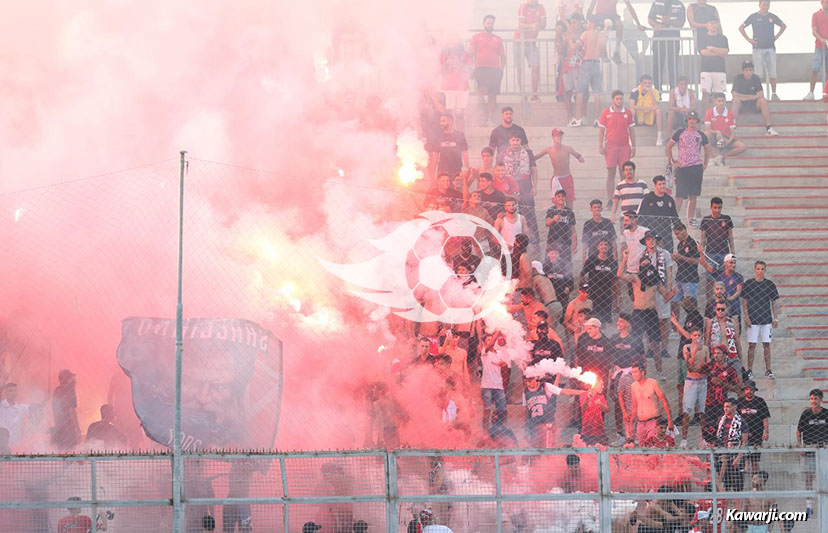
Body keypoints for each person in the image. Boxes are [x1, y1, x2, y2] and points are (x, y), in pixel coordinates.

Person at [618, 250, 671, 376]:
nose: (646, 266)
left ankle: (659, 372)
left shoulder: (656, 280)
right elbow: (619, 274)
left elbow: (666, 296)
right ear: (640, 266)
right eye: (643, 264)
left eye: (648, 264)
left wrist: (672, 294)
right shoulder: (635, 277)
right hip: (639, 313)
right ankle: (634, 370)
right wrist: (625, 258)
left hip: (651, 313)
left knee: (656, 344)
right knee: (635, 342)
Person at [665, 111, 710, 225]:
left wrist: (705, 164)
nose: (692, 121)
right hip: (682, 167)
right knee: (679, 195)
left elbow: (707, 149)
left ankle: (690, 219)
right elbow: (668, 146)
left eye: (694, 119)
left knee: (693, 195)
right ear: (687, 121)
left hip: (696, 167)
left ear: (697, 121)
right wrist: (672, 161)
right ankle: (674, 219)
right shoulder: (680, 133)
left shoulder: (701, 135)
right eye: (690, 119)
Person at [610, 313, 645, 444]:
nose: (618, 324)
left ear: (628, 324)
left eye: (621, 321)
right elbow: (610, 357)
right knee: (618, 404)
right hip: (618, 373)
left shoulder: (635, 339)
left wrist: (640, 376)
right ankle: (619, 434)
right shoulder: (614, 338)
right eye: (618, 321)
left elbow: (642, 358)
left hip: (631, 373)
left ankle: (634, 434)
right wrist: (611, 373)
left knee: (633, 403)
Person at [739, 0, 786, 100]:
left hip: (770, 48)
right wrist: (749, 40)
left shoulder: (772, 16)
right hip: (758, 49)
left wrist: (776, 36)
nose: (766, 6)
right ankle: (758, 94)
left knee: (772, 72)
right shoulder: (753, 16)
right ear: (759, 5)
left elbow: (783, 25)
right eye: (764, 4)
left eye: (768, 5)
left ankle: (774, 94)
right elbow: (741, 28)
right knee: (758, 74)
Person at [641, 231, 675, 364]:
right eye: (648, 239)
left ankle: (664, 348)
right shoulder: (642, 255)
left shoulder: (665, 254)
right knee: (648, 320)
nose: (651, 241)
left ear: (656, 240)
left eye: (653, 239)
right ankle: (650, 348)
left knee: (664, 320)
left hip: (662, 289)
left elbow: (669, 272)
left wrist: (668, 289)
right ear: (645, 241)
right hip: (648, 291)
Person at [742, 260, 780, 380]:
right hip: (753, 319)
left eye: (762, 269)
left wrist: (775, 318)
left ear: (765, 270)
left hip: (766, 319)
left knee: (766, 345)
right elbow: (744, 301)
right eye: (758, 269)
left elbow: (774, 302)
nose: (760, 271)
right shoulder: (748, 284)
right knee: (752, 345)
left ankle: (768, 370)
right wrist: (746, 317)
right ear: (755, 269)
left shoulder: (770, 284)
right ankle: (749, 370)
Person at [599, 91, 637, 205]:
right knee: (611, 173)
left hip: (624, 146)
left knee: (624, 173)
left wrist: (633, 146)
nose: (619, 101)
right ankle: (610, 199)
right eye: (617, 99)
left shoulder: (628, 112)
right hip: (611, 147)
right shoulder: (606, 112)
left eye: (621, 99)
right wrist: (600, 145)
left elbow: (632, 131)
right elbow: (601, 130)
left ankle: (623, 198)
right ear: (613, 100)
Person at [674, 326, 709, 447]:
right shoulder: (687, 347)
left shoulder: (705, 348)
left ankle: (703, 438)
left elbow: (708, 363)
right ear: (691, 336)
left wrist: (705, 368)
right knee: (686, 411)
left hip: (702, 381)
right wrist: (694, 352)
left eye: (699, 335)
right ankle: (684, 439)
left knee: (703, 412)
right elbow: (688, 366)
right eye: (695, 335)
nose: (697, 337)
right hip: (691, 381)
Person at [534, 128, 585, 207]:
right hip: (556, 179)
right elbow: (535, 157)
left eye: (560, 136)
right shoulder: (549, 149)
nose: (559, 138)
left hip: (567, 178)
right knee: (557, 204)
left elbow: (577, 155)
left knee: (569, 201)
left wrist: (580, 158)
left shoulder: (568, 148)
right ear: (553, 137)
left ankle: (569, 214)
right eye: (557, 136)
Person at [469, 15, 506, 123]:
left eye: (492, 23)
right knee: (480, 93)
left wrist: (501, 69)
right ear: (483, 23)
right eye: (488, 23)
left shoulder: (498, 39)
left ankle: (490, 117)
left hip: (495, 70)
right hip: (480, 68)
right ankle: (483, 114)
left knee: (492, 95)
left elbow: (503, 56)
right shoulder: (476, 37)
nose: (490, 25)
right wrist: (471, 69)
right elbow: (470, 54)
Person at [797, 388, 828, 517]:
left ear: (821, 400)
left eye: (816, 399)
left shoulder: (826, 413)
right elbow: (799, 430)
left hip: (824, 450)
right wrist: (800, 446)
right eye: (811, 399)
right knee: (809, 478)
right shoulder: (806, 414)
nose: (813, 401)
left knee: (824, 477)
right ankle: (809, 506)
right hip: (809, 449)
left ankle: (824, 503)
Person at [702, 345, 741, 445]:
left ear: (724, 355)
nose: (715, 355)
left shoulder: (730, 370)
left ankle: (721, 448)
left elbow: (737, 387)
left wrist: (722, 383)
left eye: (718, 353)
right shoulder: (710, 366)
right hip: (709, 402)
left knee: (720, 428)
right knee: (708, 428)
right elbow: (695, 369)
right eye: (714, 353)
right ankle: (709, 447)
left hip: (722, 404)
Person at [573, 17, 607, 128]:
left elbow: (577, 46)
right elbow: (603, 52)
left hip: (586, 63)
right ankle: (598, 119)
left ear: (592, 24)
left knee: (580, 91)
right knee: (597, 93)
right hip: (596, 63)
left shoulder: (586, 34)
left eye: (588, 23)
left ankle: (578, 119)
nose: (587, 25)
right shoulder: (602, 35)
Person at [629, 360, 673, 445]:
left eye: (635, 372)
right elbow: (634, 406)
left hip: (653, 421)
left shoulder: (653, 383)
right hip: (640, 423)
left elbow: (664, 400)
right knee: (642, 448)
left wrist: (670, 420)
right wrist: (631, 424)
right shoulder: (633, 386)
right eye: (632, 372)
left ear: (642, 372)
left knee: (652, 446)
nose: (633, 374)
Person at [731, 60, 779, 136]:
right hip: (741, 105)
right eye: (746, 70)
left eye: (750, 70)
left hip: (754, 104)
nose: (748, 72)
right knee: (735, 101)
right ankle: (733, 128)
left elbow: (761, 95)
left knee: (763, 100)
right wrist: (751, 96)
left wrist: (745, 98)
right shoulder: (738, 78)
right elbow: (734, 94)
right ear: (742, 71)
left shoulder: (756, 78)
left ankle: (769, 128)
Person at [647, 0, 686, 93]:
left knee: (673, 66)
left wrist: (670, 21)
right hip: (658, 39)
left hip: (673, 40)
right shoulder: (656, 3)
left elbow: (681, 23)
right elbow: (650, 18)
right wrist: (656, 25)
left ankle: (673, 92)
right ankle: (658, 92)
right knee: (657, 66)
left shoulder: (679, 4)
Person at [699, 196, 734, 297]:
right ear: (711, 207)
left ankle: (724, 300)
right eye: (715, 207)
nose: (717, 210)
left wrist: (732, 252)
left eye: (719, 208)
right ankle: (709, 302)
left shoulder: (726, 219)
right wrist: (701, 253)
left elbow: (730, 237)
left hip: (724, 252)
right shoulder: (706, 220)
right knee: (709, 279)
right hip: (710, 253)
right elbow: (703, 238)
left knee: (724, 278)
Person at [515, 0, 547, 102]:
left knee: (536, 67)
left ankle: (534, 95)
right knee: (520, 69)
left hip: (532, 43)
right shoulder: (523, 6)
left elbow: (544, 24)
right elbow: (520, 25)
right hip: (519, 42)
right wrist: (532, 25)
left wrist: (538, 25)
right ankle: (522, 94)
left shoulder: (541, 7)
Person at [637, 175, 679, 252]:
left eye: (664, 184)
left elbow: (675, 217)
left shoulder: (669, 199)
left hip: (666, 233)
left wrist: (679, 228)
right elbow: (641, 217)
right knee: (652, 254)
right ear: (655, 185)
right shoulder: (647, 199)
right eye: (660, 184)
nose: (662, 186)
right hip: (651, 233)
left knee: (667, 253)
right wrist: (643, 232)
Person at [700, 252, 744, 326]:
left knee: (735, 329)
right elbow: (704, 264)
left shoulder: (738, 276)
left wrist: (729, 298)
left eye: (734, 263)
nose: (733, 265)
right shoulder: (719, 273)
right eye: (731, 263)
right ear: (725, 263)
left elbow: (738, 291)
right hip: (721, 308)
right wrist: (701, 252)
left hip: (734, 307)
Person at [581, 238, 618, 325]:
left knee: (604, 322)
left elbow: (615, 281)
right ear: (597, 247)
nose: (603, 246)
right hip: (594, 293)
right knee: (593, 319)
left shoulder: (612, 262)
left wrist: (616, 297)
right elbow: (582, 274)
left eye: (606, 244)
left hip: (606, 294)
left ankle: (602, 332)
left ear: (609, 247)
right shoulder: (592, 260)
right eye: (601, 244)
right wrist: (584, 287)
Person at [705, 93, 747, 166]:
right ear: (715, 102)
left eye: (723, 101)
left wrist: (728, 141)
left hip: (726, 138)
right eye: (719, 101)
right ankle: (711, 158)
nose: (721, 103)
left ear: (725, 102)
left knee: (742, 146)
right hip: (715, 137)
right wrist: (717, 132)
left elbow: (733, 133)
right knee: (706, 134)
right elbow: (707, 129)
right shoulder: (709, 112)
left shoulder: (730, 114)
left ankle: (721, 156)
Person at [705, 297, 744, 378]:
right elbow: (707, 340)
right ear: (715, 310)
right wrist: (707, 357)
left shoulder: (733, 322)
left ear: (727, 310)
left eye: (722, 309)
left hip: (731, 355)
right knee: (717, 380)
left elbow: (737, 340)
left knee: (737, 379)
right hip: (716, 356)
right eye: (718, 309)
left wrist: (741, 359)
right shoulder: (711, 322)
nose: (720, 311)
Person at [737, 380, 770, 474]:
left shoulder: (760, 401)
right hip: (743, 434)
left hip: (757, 433)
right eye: (747, 389)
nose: (749, 391)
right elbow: (736, 418)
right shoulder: (740, 402)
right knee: (744, 456)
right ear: (744, 390)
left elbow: (765, 418)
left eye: (751, 389)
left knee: (755, 459)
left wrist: (766, 432)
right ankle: (746, 470)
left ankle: (756, 478)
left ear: (754, 391)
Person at [715, 398, 748, 491]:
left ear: (735, 407)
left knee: (737, 484)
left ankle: (737, 500)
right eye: (724, 407)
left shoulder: (741, 422)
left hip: (735, 454)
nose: (725, 409)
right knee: (725, 484)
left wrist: (738, 457)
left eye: (728, 407)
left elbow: (744, 442)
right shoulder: (721, 420)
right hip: (723, 453)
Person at [480, 334, 510, 432]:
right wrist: (497, 332)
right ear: (485, 343)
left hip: (498, 385)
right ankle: (485, 431)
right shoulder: (484, 352)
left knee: (503, 409)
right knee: (487, 409)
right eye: (488, 339)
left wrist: (502, 364)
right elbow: (490, 345)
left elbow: (505, 364)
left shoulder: (499, 353)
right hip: (487, 385)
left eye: (491, 339)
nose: (490, 341)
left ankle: (502, 430)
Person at [426, 114, 469, 183]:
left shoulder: (460, 135)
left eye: (443, 121)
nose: (441, 123)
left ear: (450, 121)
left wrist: (467, 169)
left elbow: (465, 153)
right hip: (442, 171)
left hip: (456, 171)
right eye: (440, 121)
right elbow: (435, 156)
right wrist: (432, 173)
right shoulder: (438, 136)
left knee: (456, 189)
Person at [698, 19, 729, 110]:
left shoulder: (723, 38)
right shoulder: (702, 38)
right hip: (706, 69)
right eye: (711, 23)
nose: (713, 25)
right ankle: (705, 116)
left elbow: (725, 52)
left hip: (719, 69)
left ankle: (719, 115)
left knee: (719, 95)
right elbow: (703, 52)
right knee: (705, 94)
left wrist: (712, 49)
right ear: (707, 25)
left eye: (715, 23)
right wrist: (719, 52)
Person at [439, 41, 471, 129]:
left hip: (462, 88)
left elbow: (470, 70)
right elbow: (439, 70)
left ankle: (461, 134)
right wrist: (447, 64)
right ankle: (448, 133)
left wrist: (459, 64)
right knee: (448, 114)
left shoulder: (464, 55)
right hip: (447, 89)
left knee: (460, 114)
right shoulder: (443, 54)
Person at [575, 318, 614, 387]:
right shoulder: (583, 339)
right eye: (587, 329)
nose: (588, 331)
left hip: (600, 376)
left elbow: (609, 361)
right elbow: (578, 356)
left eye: (590, 329)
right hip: (586, 374)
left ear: (597, 328)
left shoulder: (606, 342)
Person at [671, 223, 700, 314]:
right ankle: (675, 322)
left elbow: (697, 261)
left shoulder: (693, 243)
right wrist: (676, 259)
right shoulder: (680, 245)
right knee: (674, 302)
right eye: (675, 234)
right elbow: (681, 262)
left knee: (690, 304)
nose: (677, 236)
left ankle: (693, 321)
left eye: (678, 234)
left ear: (684, 231)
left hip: (690, 278)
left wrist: (681, 257)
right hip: (679, 277)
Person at [523, 374, 559, 447]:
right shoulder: (526, 391)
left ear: (535, 378)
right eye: (526, 381)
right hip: (534, 424)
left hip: (547, 422)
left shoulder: (545, 386)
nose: (528, 383)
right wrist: (526, 426)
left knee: (548, 446)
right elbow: (526, 410)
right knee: (535, 446)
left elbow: (555, 389)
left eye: (530, 381)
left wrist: (558, 375)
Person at [628, 75, 664, 147]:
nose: (647, 85)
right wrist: (646, 108)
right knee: (631, 111)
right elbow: (631, 105)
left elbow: (656, 105)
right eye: (645, 83)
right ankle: (629, 138)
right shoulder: (635, 91)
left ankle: (659, 137)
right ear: (640, 83)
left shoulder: (655, 92)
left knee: (658, 111)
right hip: (639, 117)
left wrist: (650, 92)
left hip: (650, 117)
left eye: (649, 83)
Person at [545, 190, 577, 267]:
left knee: (566, 263)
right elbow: (547, 223)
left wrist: (575, 244)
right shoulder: (551, 210)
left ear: (565, 198)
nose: (561, 198)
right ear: (555, 199)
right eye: (558, 196)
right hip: (553, 241)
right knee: (551, 263)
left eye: (562, 196)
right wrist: (553, 219)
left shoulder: (569, 212)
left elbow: (573, 229)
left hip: (566, 241)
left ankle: (567, 274)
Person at [51, 368, 81, 450]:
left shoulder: (57, 390)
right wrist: (77, 428)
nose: (73, 379)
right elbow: (71, 411)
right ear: (67, 379)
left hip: (59, 428)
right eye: (70, 377)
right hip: (69, 430)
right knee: (70, 452)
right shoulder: (70, 390)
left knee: (61, 452)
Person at [804, 0, 828, 100]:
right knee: (815, 68)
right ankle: (811, 93)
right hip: (819, 46)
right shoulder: (816, 15)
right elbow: (814, 31)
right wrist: (821, 39)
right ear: (822, 3)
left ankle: (826, 94)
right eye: (826, 2)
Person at [0, 382, 33, 450]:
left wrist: (43, 402)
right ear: (5, 393)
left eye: (15, 391)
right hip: (2, 446)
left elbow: (34, 410)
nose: (13, 393)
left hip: (16, 447)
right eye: (10, 391)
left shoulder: (21, 407)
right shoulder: (1, 406)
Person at [531, 262, 564, 329]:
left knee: (548, 329)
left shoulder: (535, 278)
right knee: (552, 329)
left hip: (549, 306)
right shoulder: (546, 278)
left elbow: (531, 293)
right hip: (557, 304)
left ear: (534, 269)